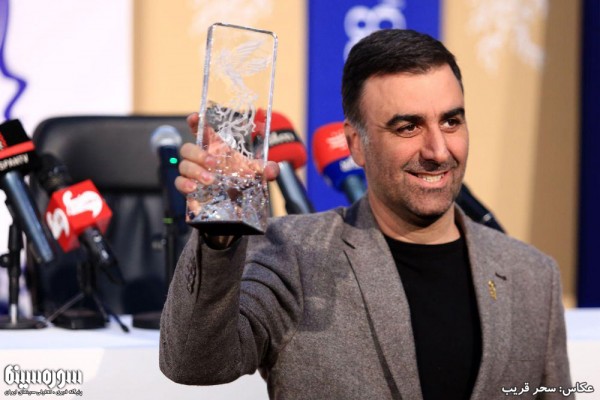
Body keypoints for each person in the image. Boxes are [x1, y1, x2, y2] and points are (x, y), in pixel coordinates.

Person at [159, 29, 571, 400]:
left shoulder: (533, 276)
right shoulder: (293, 254)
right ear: (355, 144)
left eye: (451, 121)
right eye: (408, 127)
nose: (438, 150)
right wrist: (220, 229)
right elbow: (195, 363)